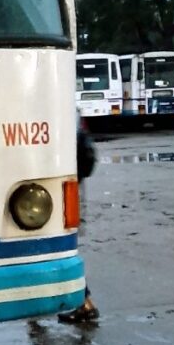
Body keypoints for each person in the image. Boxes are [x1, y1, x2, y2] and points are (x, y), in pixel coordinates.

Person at [59, 113, 100, 323]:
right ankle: (85, 303)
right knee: (61, 250)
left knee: (60, 251)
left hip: (62, 186)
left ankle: (85, 304)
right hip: (72, 183)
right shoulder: (68, 107)